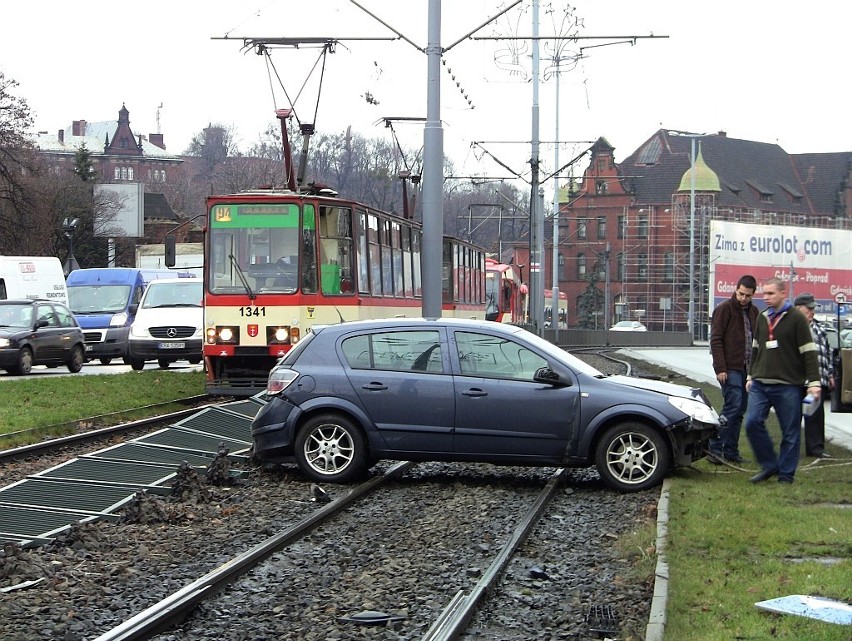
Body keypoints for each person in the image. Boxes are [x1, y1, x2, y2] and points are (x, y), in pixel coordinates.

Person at [745, 277, 821, 484]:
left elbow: (809, 352)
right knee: (751, 422)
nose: (766, 297)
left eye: (770, 293)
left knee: (791, 432)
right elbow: (755, 349)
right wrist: (751, 375)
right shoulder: (762, 317)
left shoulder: (797, 318)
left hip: (788, 385)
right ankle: (770, 465)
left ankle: (786, 476)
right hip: (761, 383)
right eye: (764, 293)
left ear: (782, 293)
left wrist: (814, 382)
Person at [708, 275, 759, 464]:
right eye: (740, 294)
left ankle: (731, 451)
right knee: (732, 406)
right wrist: (720, 368)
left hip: (747, 369)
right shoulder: (724, 309)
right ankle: (714, 447)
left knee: (740, 409)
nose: (743, 298)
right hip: (730, 368)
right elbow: (716, 340)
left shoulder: (754, 312)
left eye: (747, 295)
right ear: (736, 289)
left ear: (753, 294)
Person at [794, 292, 835, 458]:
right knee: (793, 417)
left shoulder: (819, 328)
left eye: (813, 309)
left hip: (816, 384)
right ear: (798, 308)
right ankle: (792, 450)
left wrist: (830, 374)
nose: (812, 311)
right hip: (798, 382)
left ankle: (815, 449)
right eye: (808, 308)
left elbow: (829, 353)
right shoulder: (793, 327)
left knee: (814, 417)